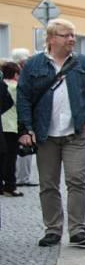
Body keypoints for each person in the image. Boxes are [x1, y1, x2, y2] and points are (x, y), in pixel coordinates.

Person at [17, 18, 85, 247]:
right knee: (48, 184)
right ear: (52, 39)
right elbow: (24, 97)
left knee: (77, 181)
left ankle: (77, 230)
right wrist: (26, 128)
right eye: (67, 35)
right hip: (45, 135)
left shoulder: (84, 63)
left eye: (73, 35)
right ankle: (53, 229)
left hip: (76, 134)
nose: (72, 39)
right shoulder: (34, 65)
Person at [12, 48, 36, 188]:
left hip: (19, 118)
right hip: (19, 119)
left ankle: (21, 177)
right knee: (23, 149)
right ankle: (22, 178)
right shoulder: (19, 77)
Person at [0, 64, 16, 196]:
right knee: (10, 157)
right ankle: (9, 185)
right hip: (11, 125)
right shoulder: (14, 87)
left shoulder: (3, 83)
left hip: (3, 126)